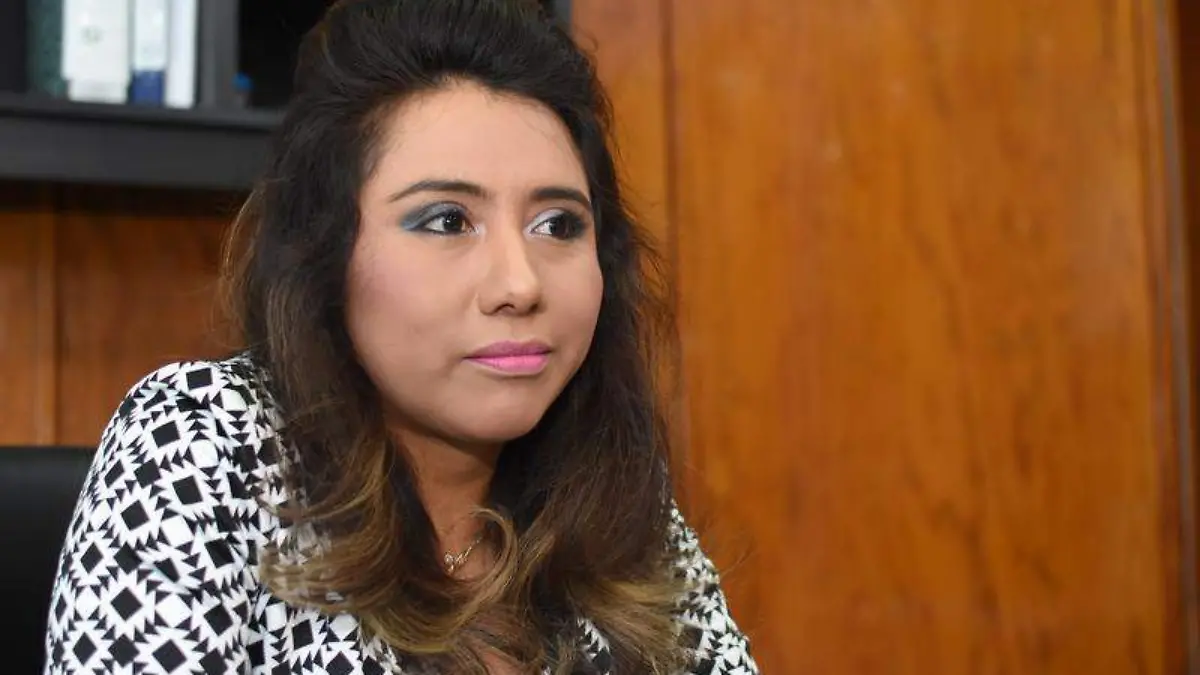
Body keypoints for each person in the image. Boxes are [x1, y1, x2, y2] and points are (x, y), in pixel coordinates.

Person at [44, 1, 759, 673]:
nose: (520, 283)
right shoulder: (205, 439)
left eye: (558, 224)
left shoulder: (614, 493)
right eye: (447, 220)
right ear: (326, 253)